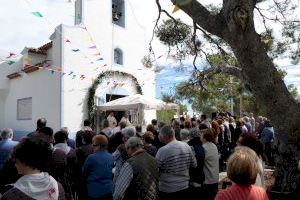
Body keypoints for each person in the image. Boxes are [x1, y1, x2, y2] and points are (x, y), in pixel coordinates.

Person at [155, 125, 196, 200]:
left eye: (160, 134)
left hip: (168, 189)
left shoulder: (162, 150)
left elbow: (155, 169)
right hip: (184, 186)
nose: (159, 136)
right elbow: (194, 164)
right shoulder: (186, 146)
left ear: (165, 136)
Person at [83, 135, 113, 200]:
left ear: (99, 146)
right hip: (109, 190)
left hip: (94, 191)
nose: (92, 147)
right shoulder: (111, 156)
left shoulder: (91, 157)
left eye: (94, 145)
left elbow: (84, 172)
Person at [201, 128, 219, 200]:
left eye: (201, 135)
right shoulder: (214, 146)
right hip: (214, 178)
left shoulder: (204, 147)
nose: (200, 136)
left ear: (204, 137)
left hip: (208, 180)